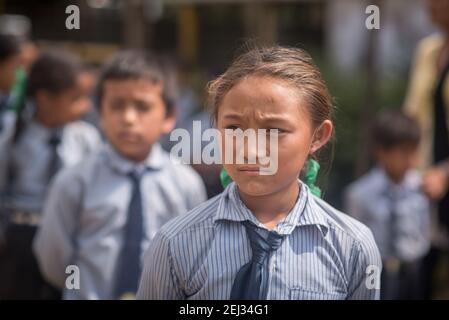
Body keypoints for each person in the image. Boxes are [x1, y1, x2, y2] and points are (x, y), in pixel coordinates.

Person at [137, 46, 382, 300]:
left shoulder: (352, 247)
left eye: (274, 131)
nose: (250, 150)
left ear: (317, 136)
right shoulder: (175, 245)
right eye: (233, 128)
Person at [33, 50, 207, 300]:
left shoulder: (185, 183)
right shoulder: (74, 181)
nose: (128, 118)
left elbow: (195, 256)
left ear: (169, 117)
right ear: (100, 114)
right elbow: (54, 261)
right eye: (116, 106)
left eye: (142, 107)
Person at [0, 49, 101, 299]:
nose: (86, 106)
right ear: (45, 99)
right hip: (20, 239)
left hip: (67, 237)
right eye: (76, 98)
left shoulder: (86, 138)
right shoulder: (12, 134)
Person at [345, 110, 430, 299]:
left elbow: (424, 231)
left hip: (413, 271)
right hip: (377, 272)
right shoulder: (360, 194)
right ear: (381, 152)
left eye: (414, 150)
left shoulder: (421, 189)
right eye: (403, 151)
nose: (411, 158)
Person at [403, 0, 449, 298]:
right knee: (417, 277)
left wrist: (446, 175)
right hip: (425, 183)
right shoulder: (428, 50)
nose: (428, 4)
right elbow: (413, 117)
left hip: (441, 178)